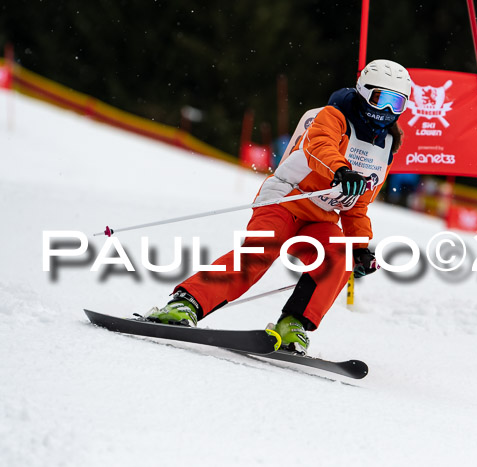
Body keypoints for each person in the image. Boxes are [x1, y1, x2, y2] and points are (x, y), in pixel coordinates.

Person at [145, 59, 412, 354]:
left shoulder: (385, 147)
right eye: (381, 99)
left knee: (338, 254)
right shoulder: (333, 117)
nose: (387, 110)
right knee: (260, 253)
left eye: (396, 102)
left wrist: (359, 248)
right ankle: (185, 303)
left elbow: (357, 206)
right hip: (286, 198)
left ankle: (292, 325)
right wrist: (341, 170)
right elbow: (318, 147)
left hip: (320, 217)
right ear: (363, 91)